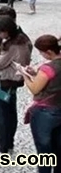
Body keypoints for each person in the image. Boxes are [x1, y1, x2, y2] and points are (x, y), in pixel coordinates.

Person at [0, 16, 32, 153]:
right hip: (12, 83)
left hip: (6, 84)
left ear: (6, 30)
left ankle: (3, 146)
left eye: (0, 32)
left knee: (2, 114)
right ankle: (6, 142)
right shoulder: (23, 39)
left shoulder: (13, 46)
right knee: (9, 113)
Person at [22, 35, 61, 173]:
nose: (41, 55)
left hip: (45, 113)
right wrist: (36, 73)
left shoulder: (48, 67)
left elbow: (35, 88)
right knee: (58, 148)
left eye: (41, 52)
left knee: (44, 149)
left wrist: (24, 75)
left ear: (49, 52)